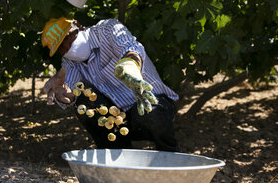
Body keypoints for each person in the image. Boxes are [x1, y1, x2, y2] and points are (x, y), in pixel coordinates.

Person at [42, 17, 180, 151]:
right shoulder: (69, 63)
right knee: (83, 99)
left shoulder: (108, 29)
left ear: (78, 26)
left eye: (67, 38)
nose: (67, 47)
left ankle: (170, 158)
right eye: (61, 47)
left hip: (153, 106)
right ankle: (118, 162)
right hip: (117, 119)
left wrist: (129, 64)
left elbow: (131, 48)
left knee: (150, 111)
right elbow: (70, 89)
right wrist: (64, 93)